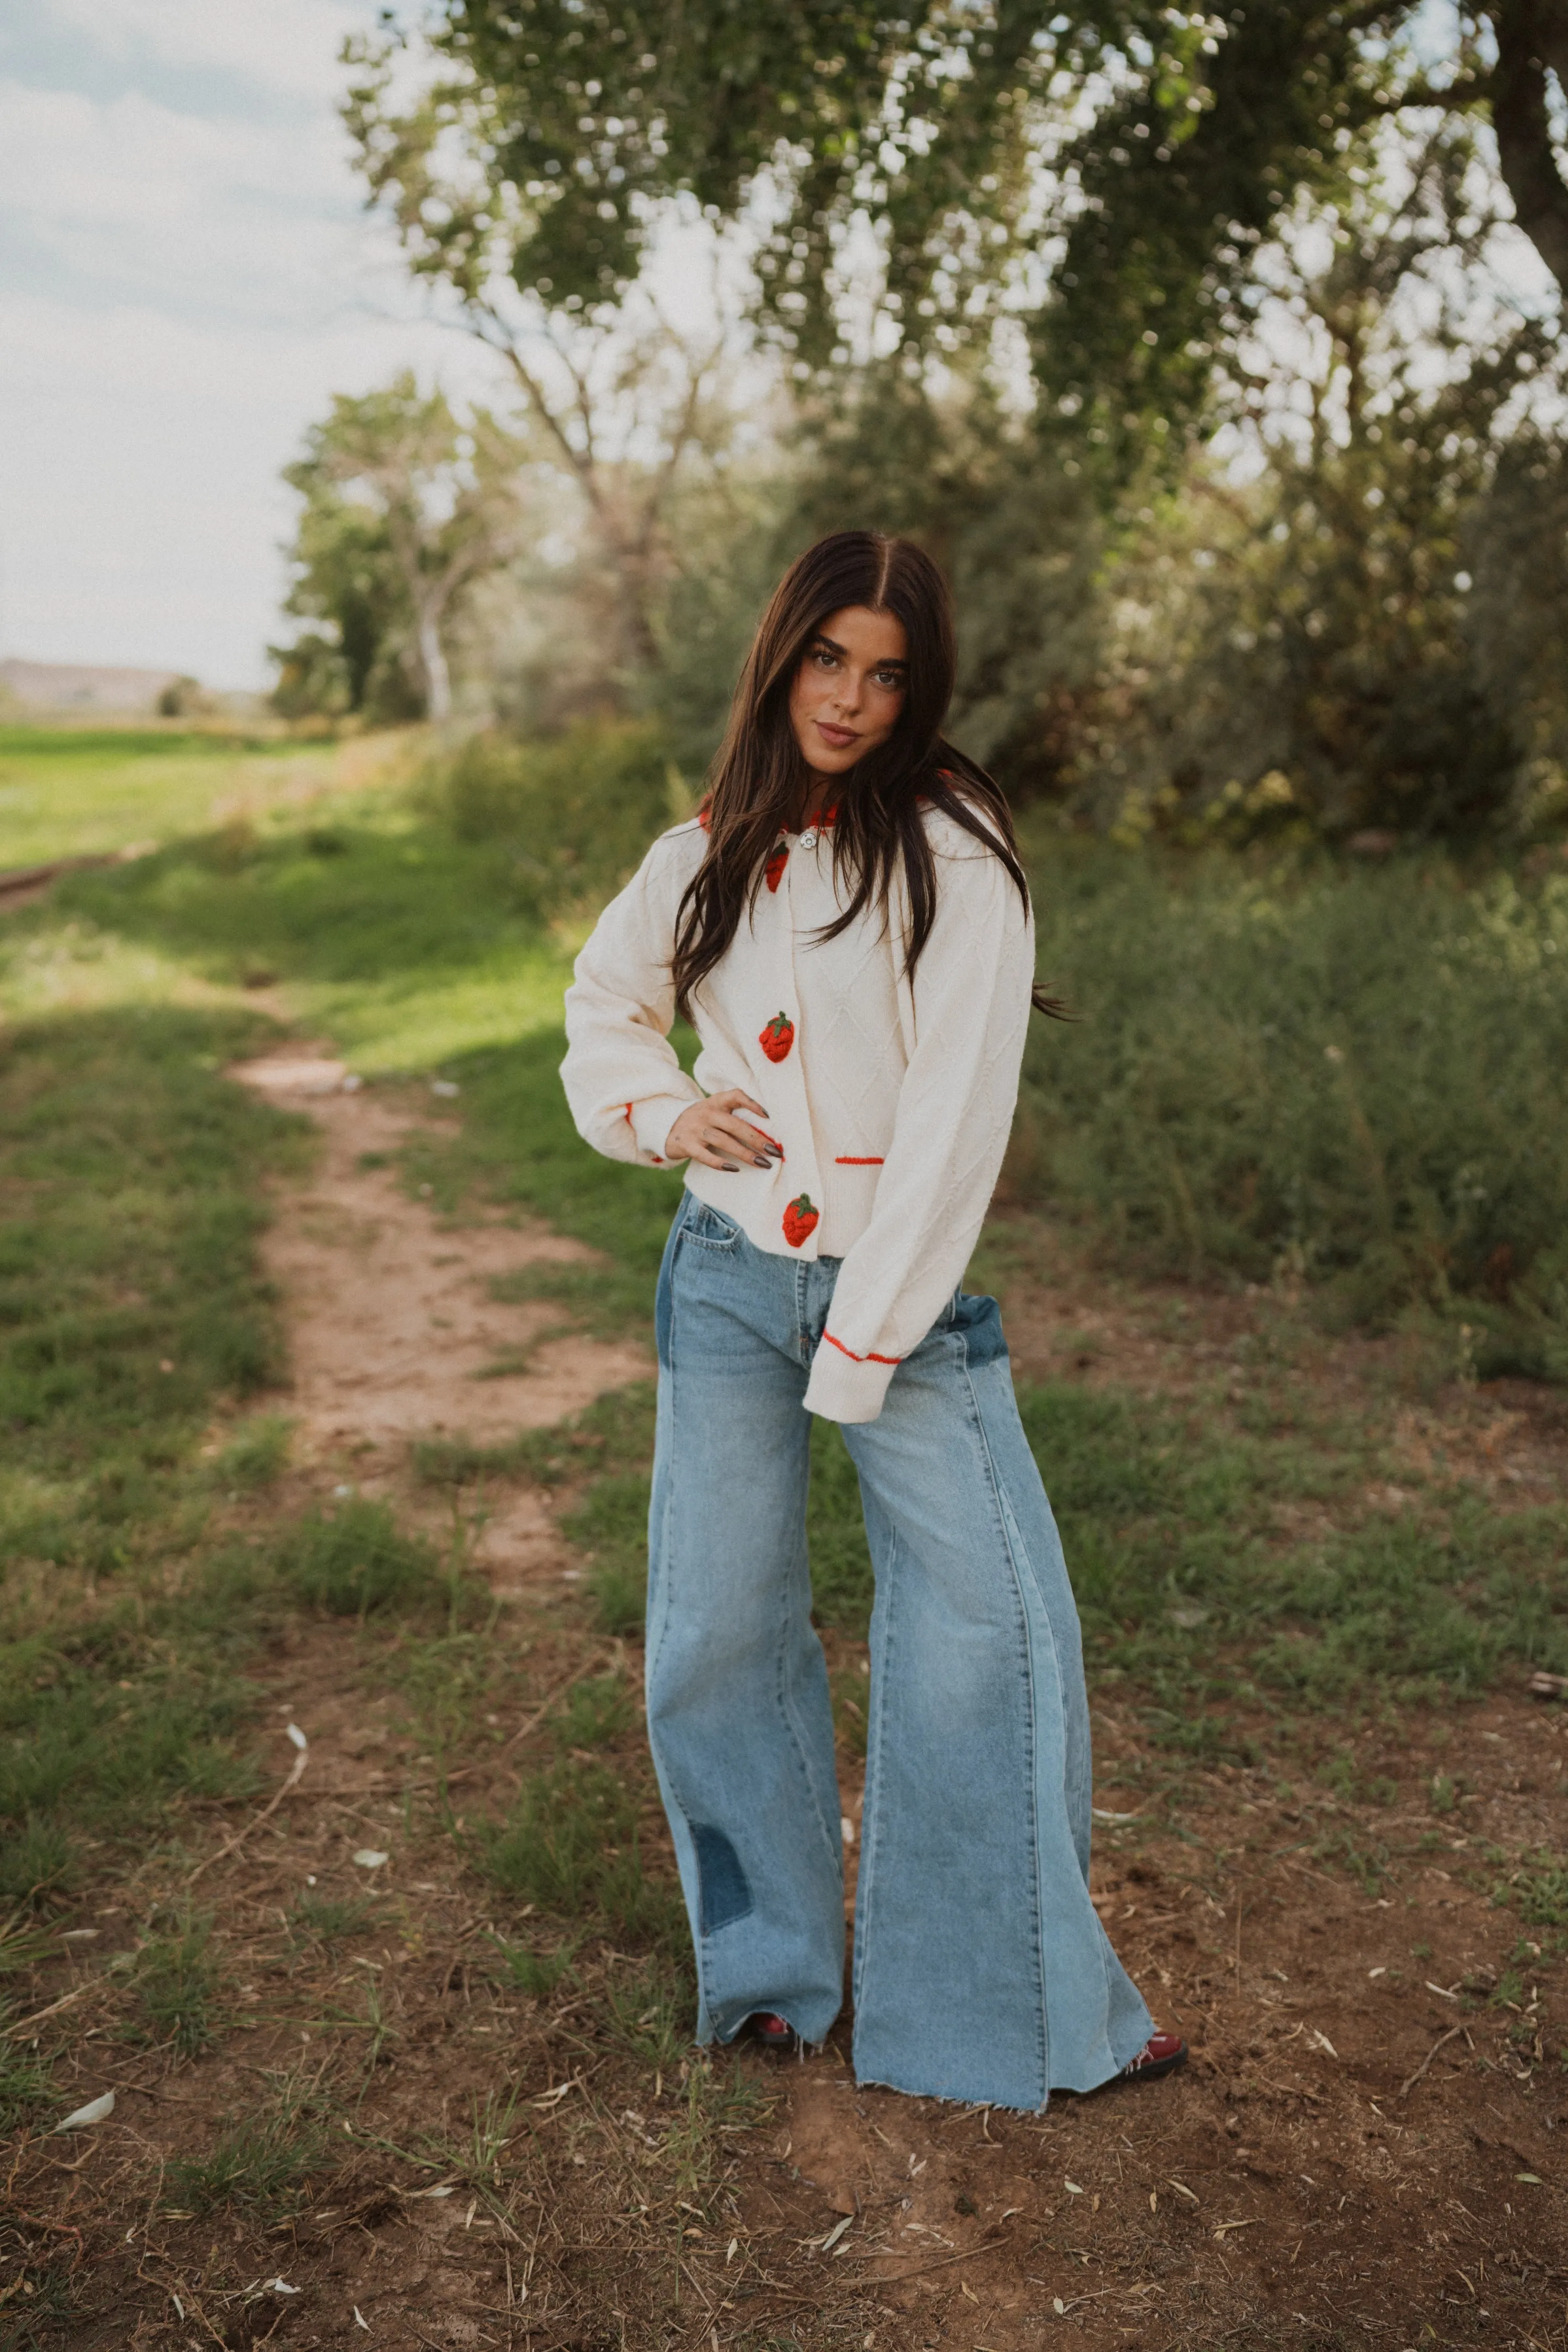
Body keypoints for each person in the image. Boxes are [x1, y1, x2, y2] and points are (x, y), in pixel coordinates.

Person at [560, 530, 1183, 2110]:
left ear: (923, 687)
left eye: (887, 671)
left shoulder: (955, 848)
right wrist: (657, 1112)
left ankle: (1004, 2021)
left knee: (989, 1641)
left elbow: (960, 1114)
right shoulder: (703, 842)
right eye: (828, 657)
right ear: (780, 655)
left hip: (895, 1306)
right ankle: (770, 1980)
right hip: (718, 1290)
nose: (851, 697)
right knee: (715, 1632)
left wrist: (862, 1342)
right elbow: (601, 1003)